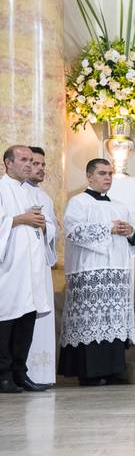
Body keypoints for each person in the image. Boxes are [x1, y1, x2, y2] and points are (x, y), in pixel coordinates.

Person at [58, 159, 135, 386]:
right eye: (102, 173)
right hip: (89, 271)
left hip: (117, 273)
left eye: (110, 174)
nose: (108, 178)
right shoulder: (78, 203)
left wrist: (130, 231)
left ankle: (113, 369)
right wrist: (109, 228)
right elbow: (73, 231)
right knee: (90, 322)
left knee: (112, 322)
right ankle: (90, 373)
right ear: (89, 176)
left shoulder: (120, 206)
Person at [0, 145, 51, 393]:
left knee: (26, 320)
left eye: (32, 160)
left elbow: (45, 224)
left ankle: (21, 372)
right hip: (8, 267)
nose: (29, 165)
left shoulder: (31, 194)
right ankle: (3, 375)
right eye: (23, 160)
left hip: (30, 268)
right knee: (7, 320)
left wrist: (43, 226)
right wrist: (19, 219)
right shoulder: (1, 188)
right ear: (8, 163)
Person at [25, 146, 57, 386]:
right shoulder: (11, 191)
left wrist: (46, 227)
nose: (40, 168)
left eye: (43, 165)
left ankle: (41, 374)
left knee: (41, 321)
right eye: (35, 163)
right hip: (21, 266)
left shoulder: (45, 197)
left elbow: (54, 228)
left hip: (41, 266)